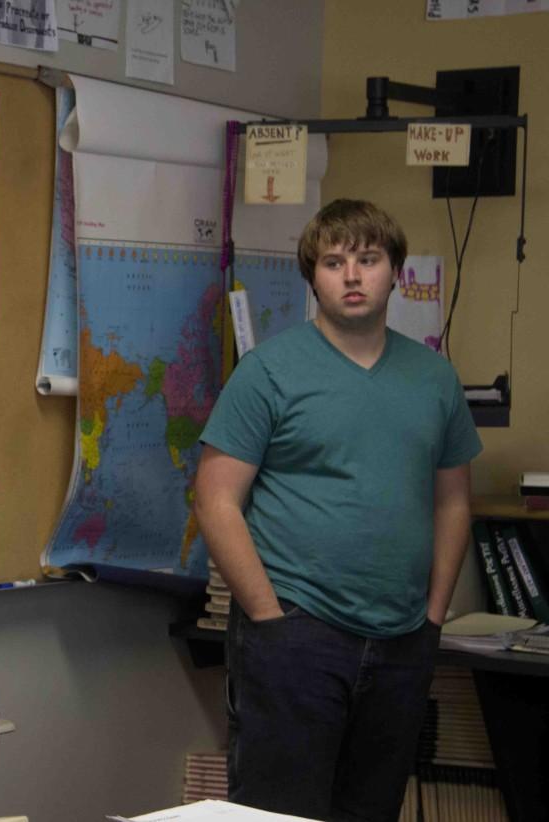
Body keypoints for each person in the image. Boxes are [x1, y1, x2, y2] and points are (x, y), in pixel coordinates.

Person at [194, 200, 481, 822]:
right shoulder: (268, 371)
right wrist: (270, 621)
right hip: (296, 631)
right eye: (334, 262)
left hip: (403, 637)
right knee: (279, 813)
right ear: (313, 277)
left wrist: (433, 616)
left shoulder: (434, 378)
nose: (352, 276)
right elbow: (216, 499)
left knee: (371, 809)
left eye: (368, 260)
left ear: (394, 271)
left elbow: (455, 499)